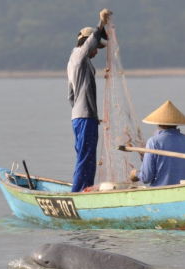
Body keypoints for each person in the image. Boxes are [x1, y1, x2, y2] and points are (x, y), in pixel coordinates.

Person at [67, 9, 113, 192]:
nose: (96, 52)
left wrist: (88, 114)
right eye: (95, 47)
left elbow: (71, 96)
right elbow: (89, 43)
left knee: (87, 158)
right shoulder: (79, 55)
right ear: (86, 43)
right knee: (85, 158)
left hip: (81, 118)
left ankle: (86, 189)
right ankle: (77, 194)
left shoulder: (74, 62)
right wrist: (101, 23)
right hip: (84, 119)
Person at [130, 100, 185, 186]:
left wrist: (136, 174)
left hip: (161, 189)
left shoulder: (154, 141)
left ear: (158, 123)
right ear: (176, 123)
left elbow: (146, 177)